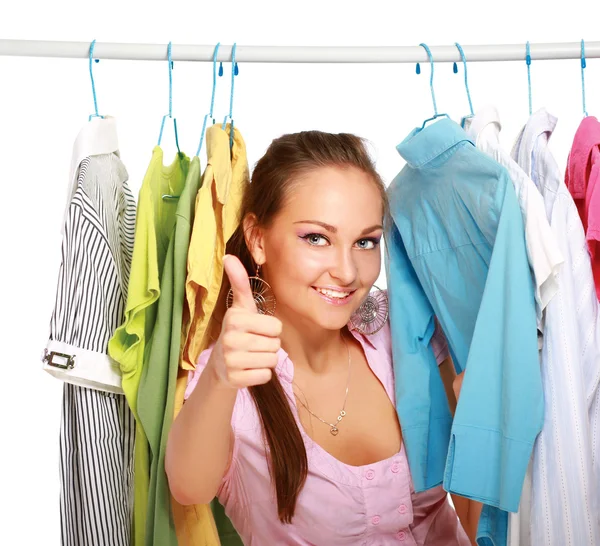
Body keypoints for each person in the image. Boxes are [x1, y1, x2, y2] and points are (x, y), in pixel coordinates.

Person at [166, 131, 478, 545]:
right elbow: (188, 487)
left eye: (365, 241)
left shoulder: (406, 336)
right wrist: (221, 376)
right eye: (317, 238)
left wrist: (475, 432)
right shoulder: (231, 373)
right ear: (258, 239)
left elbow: (479, 526)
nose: (348, 272)